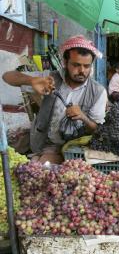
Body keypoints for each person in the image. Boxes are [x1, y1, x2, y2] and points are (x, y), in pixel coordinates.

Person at [2, 35, 107, 164]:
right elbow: (7, 76)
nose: (82, 71)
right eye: (76, 65)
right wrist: (32, 80)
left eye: (87, 66)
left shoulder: (98, 92)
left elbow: (98, 131)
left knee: (42, 166)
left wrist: (83, 117)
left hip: (74, 149)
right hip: (44, 142)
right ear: (65, 63)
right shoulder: (50, 78)